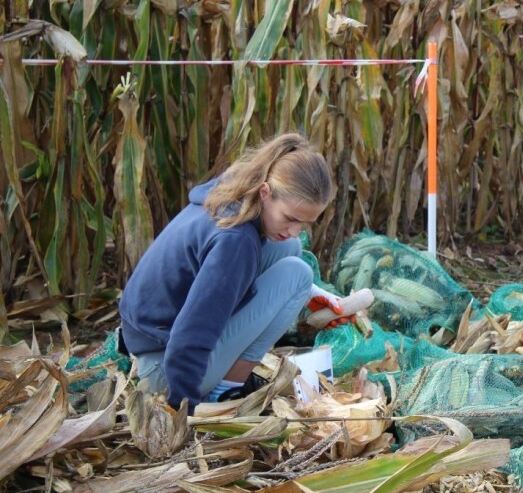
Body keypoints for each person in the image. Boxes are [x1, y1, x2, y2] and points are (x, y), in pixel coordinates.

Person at [118, 133, 351, 414]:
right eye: (290, 218)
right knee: (298, 274)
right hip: (164, 373)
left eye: (304, 224)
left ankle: (223, 380)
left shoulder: (233, 195)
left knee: (289, 248)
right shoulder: (235, 242)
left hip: (149, 345)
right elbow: (192, 330)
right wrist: (184, 408)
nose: (294, 229)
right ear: (265, 192)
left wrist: (311, 295)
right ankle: (225, 391)